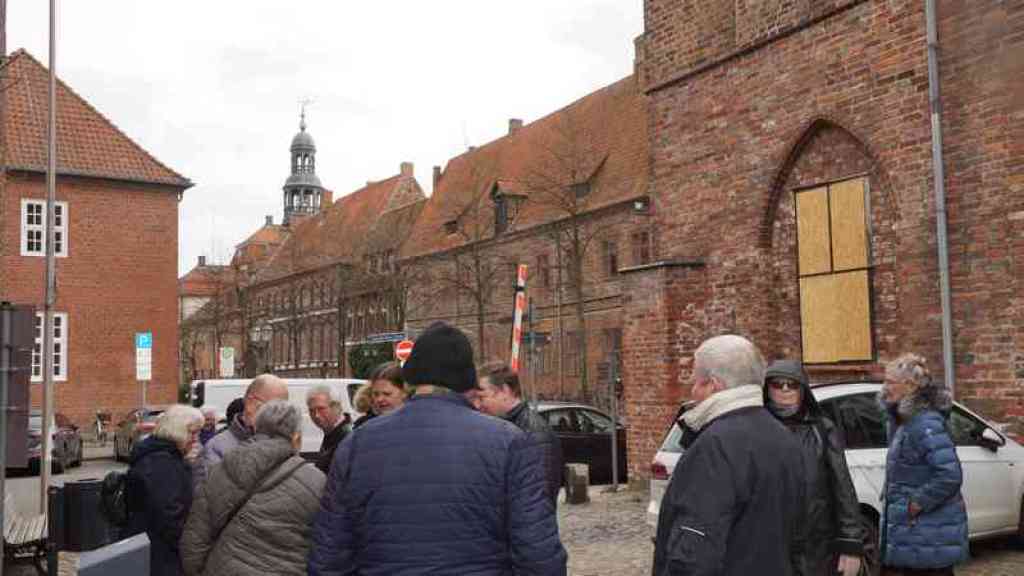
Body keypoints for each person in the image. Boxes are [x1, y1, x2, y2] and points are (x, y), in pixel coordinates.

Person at [308, 322, 567, 576]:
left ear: (411, 377)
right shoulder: (509, 442)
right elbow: (537, 553)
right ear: (467, 381)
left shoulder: (357, 444)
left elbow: (330, 553)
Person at [652, 335, 806, 576]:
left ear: (713, 385)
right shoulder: (786, 438)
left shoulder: (715, 446)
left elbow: (695, 550)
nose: (692, 391)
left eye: (695, 383)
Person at [181, 400, 326, 576]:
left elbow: (195, 538)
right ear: (296, 437)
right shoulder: (315, 481)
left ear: (256, 428)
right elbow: (324, 546)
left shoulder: (223, 468)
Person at [764, 360, 864, 576]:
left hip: (816, 546)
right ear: (767, 389)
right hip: (769, 543)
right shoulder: (756, 427)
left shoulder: (822, 429)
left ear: (802, 390)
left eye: (792, 384)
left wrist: (850, 544)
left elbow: (842, 488)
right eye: (778, 384)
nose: (785, 389)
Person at [879, 353, 967, 575]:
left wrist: (916, 503)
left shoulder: (925, 422)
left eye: (890, 382)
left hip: (926, 534)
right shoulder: (903, 421)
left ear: (910, 385)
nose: (884, 387)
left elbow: (949, 475)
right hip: (913, 534)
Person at [124, 404, 204, 576]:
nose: (196, 439)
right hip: (160, 554)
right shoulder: (163, 463)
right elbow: (170, 516)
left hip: (151, 547)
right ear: (177, 430)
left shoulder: (158, 455)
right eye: (193, 433)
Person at [476, 361, 563, 504]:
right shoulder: (502, 427)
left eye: (482, 397)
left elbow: (538, 500)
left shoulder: (534, 433)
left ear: (505, 391)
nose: (479, 405)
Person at [192, 374, 289, 486]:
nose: (280, 416)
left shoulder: (284, 444)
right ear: (250, 403)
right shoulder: (216, 448)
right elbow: (210, 493)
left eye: (284, 410)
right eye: (274, 408)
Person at [306, 384, 352, 473]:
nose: (316, 415)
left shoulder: (347, 437)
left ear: (336, 407)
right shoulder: (332, 432)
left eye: (321, 409)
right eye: (311, 410)